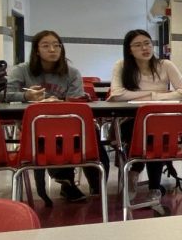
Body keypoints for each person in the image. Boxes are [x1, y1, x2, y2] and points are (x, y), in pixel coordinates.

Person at [6, 30, 108, 203]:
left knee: (91, 135)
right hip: (35, 127)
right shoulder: (22, 70)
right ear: (37, 50)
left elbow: (77, 102)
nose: (52, 49)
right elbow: (6, 95)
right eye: (46, 46)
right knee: (52, 137)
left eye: (56, 45)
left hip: (68, 124)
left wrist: (60, 102)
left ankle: (97, 185)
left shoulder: (72, 72)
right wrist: (26, 97)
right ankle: (66, 181)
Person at [108, 29, 182, 201]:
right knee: (138, 133)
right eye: (138, 45)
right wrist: (153, 93)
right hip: (131, 120)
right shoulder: (122, 65)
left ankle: (154, 186)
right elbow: (117, 94)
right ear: (129, 49)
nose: (145, 48)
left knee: (158, 136)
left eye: (148, 43)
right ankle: (133, 176)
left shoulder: (165, 65)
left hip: (161, 120)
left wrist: (155, 96)